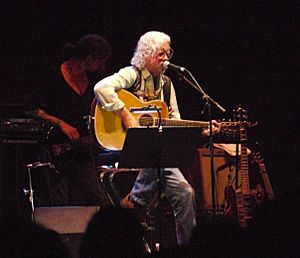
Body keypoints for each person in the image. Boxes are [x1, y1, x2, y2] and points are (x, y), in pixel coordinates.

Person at [94, 31, 196, 245]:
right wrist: (125, 114)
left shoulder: (167, 85)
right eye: (161, 54)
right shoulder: (132, 74)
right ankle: (137, 200)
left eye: (168, 53)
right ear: (147, 54)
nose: (166, 59)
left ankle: (187, 246)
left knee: (186, 193)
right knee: (152, 147)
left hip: (156, 155)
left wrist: (200, 129)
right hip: (128, 147)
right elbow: (101, 88)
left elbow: (174, 121)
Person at [27, 34, 112, 206]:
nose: (99, 66)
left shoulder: (93, 79)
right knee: (60, 203)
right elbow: (32, 108)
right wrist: (61, 124)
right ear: (88, 59)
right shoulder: (54, 75)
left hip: (81, 150)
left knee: (98, 198)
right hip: (57, 150)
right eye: (98, 61)